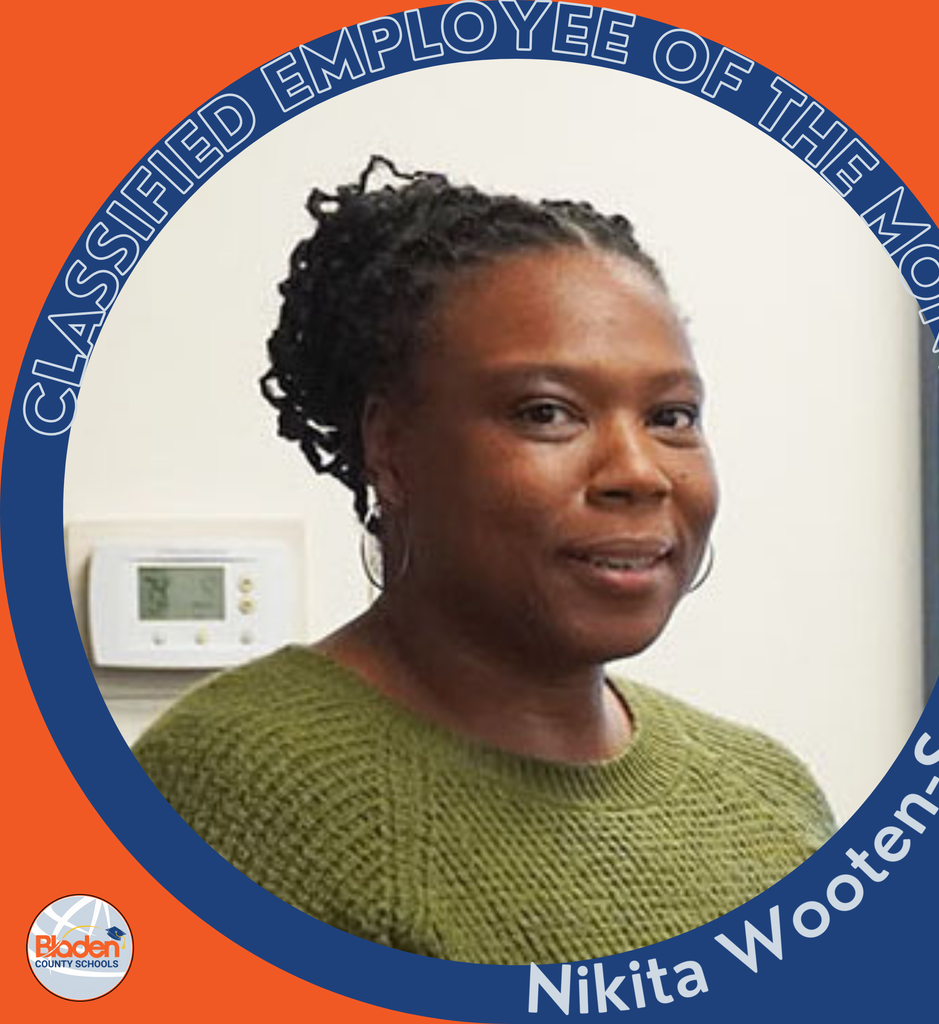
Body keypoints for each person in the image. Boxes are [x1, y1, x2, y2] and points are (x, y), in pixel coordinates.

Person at [133, 156, 834, 965]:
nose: (640, 472)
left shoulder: (768, 793)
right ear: (391, 449)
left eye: (672, 416)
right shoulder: (242, 792)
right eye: (547, 413)